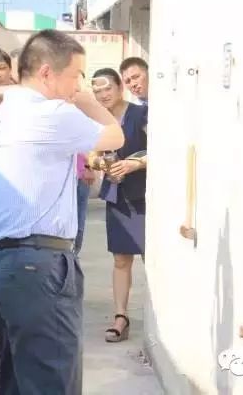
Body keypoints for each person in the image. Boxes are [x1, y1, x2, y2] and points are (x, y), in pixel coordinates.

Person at [0, 29, 124, 394]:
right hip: (38, 264)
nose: (78, 85)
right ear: (46, 73)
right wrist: (86, 100)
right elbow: (115, 135)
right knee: (51, 381)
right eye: (75, 75)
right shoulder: (53, 113)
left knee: (17, 379)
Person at [91, 68, 147, 343]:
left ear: (119, 88)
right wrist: (101, 163)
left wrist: (135, 163)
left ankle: (160, 316)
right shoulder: (98, 121)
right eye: (97, 91)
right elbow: (91, 155)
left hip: (144, 194)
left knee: (152, 258)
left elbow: (163, 148)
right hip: (117, 194)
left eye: (107, 88)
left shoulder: (141, 114)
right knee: (121, 259)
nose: (103, 95)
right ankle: (120, 317)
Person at [74, 153, 95, 255]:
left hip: (80, 174)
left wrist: (88, 166)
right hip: (57, 174)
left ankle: (73, 253)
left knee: (79, 216)